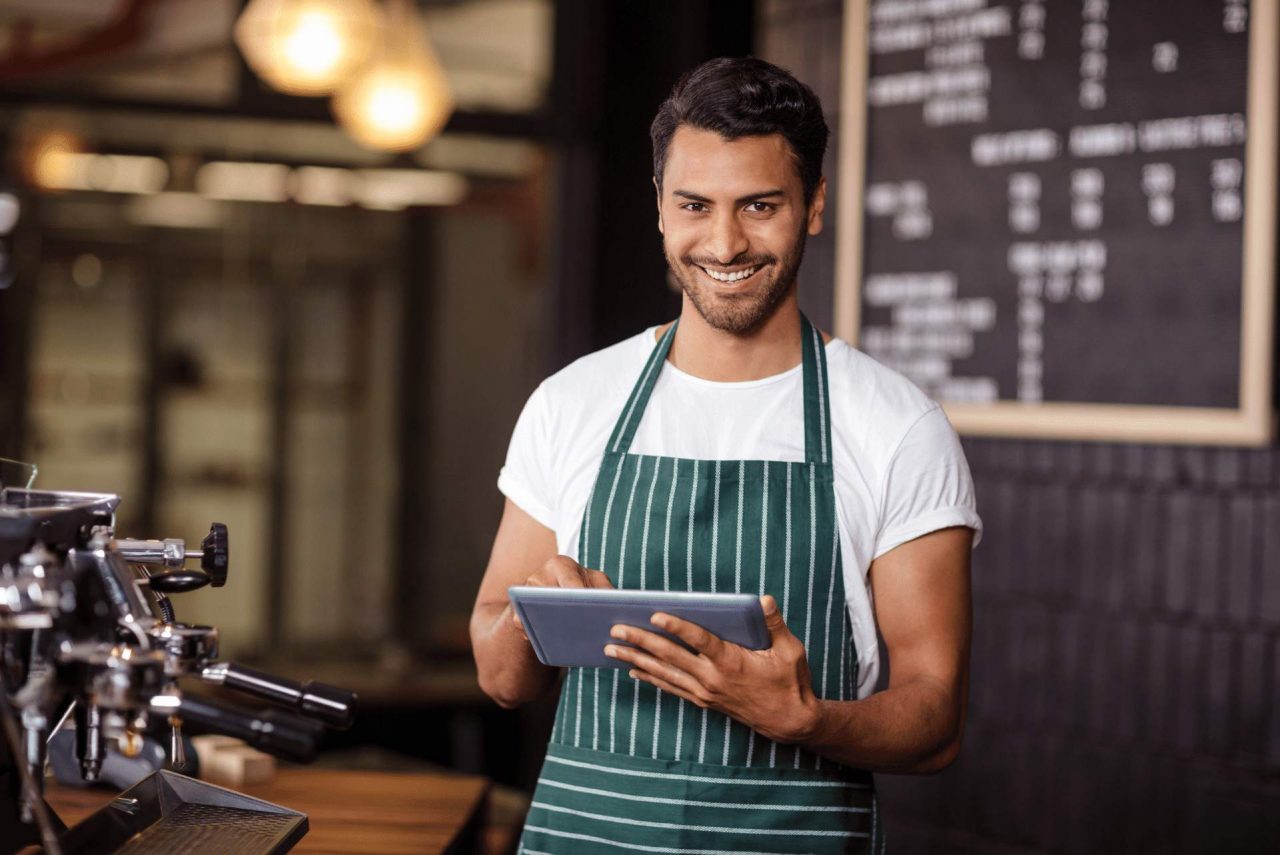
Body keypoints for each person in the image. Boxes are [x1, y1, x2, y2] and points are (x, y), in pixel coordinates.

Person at [470, 56, 981, 854]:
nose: (724, 241)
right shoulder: (572, 403)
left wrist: (805, 719)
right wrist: (536, 618)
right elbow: (499, 677)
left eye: (760, 205)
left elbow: (935, 717)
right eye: (695, 206)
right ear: (661, 209)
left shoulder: (896, 426)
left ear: (813, 206)